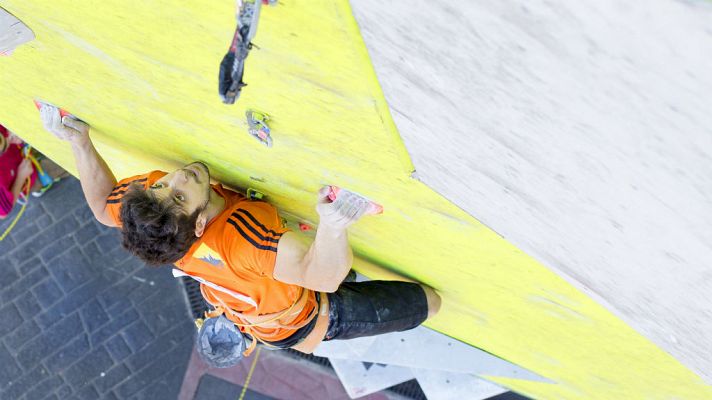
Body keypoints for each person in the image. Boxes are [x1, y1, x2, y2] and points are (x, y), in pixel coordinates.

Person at [40, 105, 441, 355]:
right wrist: (333, 226)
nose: (179, 177)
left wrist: (79, 143)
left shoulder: (150, 211)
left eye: (164, 186)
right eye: (181, 196)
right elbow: (323, 275)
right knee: (429, 301)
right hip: (302, 318)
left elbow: (101, 205)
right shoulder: (241, 236)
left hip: (261, 287)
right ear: (200, 223)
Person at [0, 124, 37, 218]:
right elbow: (3, 213)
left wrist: (10, 130)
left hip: (22, 147)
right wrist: (21, 177)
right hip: (29, 176)